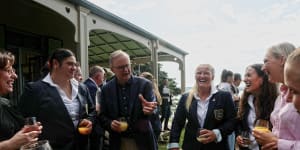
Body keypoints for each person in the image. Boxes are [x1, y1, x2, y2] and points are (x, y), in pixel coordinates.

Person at [19, 48, 95, 150]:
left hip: (82, 145)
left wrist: (89, 120)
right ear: (55, 63)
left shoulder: (82, 88)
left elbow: (92, 110)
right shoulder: (35, 90)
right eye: (69, 64)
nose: (74, 68)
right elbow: (23, 120)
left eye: (75, 64)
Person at [99, 50, 158, 150]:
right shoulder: (106, 89)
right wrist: (110, 123)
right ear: (112, 69)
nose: (126, 70)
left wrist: (150, 110)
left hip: (143, 142)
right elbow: (102, 115)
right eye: (121, 67)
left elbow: (154, 108)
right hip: (118, 142)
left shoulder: (145, 84)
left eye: (128, 65)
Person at [167, 64, 236, 150]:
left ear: (213, 77)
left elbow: (232, 121)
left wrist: (217, 133)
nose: (202, 76)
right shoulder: (186, 97)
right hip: (191, 146)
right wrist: (174, 143)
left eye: (206, 73)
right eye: (199, 73)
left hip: (216, 146)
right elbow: (177, 122)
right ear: (195, 76)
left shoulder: (224, 96)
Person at [253, 48, 300, 150]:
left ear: (282, 60)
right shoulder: (280, 96)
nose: (262, 68)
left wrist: (279, 143)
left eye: (266, 61)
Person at [0, 51, 42, 149]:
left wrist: (25, 136)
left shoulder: (6, 105)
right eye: (8, 70)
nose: (15, 76)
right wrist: (9, 144)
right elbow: (11, 142)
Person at [235, 64, 277, 150]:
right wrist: (238, 136)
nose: (244, 79)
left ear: (262, 79)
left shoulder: (276, 102)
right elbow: (239, 124)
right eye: (245, 75)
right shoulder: (245, 102)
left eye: (249, 75)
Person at [84, 65, 105, 150]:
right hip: (95, 128)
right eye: (103, 77)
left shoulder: (85, 84)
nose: (103, 80)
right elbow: (96, 109)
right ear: (98, 76)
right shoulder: (93, 87)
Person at [140, 71, 162, 141]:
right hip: (156, 125)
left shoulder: (149, 93)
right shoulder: (156, 92)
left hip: (150, 126)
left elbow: (152, 112)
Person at [217, 69, 236, 150]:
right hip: (227, 114)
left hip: (219, 115)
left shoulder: (219, 85)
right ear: (228, 77)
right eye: (232, 77)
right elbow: (229, 100)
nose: (233, 79)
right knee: (230, 137)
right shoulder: (227, 86)